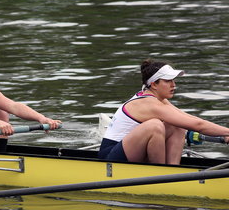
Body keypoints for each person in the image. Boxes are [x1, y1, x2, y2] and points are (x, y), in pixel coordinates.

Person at [98, 58, 229, 165]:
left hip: (129, 151)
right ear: (154, 84)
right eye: (168, 81)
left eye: (173, 80)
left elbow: (193, 121)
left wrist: (223, 134)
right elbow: (199, 126)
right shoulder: (148, 104)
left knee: (178, 124)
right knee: (155, 126)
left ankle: (173, 171)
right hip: (110, 157)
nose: (174, 85)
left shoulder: (159, 100)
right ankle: (161, 174)